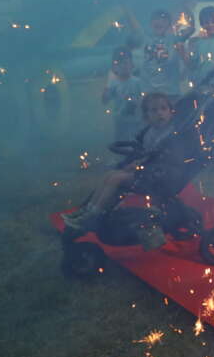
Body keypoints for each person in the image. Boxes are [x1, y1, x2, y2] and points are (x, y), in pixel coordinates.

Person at [63, 93, 179, 248]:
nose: (160, 113)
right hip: (145, 171)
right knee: (109, 175)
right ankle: (87, 210)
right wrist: (135, 163)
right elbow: (145, 154)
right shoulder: (149, 132)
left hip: (157, 176)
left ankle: (94, 216)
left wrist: (138, 164)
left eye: (163, 109)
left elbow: (159, 156)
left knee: (116, 179)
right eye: (154, 110)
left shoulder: (172, 133)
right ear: (147, 116)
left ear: (171, 111)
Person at [126, 7, 184, 99]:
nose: (159, 22)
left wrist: (185, 7)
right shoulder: (144, 39)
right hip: (149, 94)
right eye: (156, 19)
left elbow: (190, 29)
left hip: (170, 93)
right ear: (150, 23)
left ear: (169, 24)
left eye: (163, 20)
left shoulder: (174, 40)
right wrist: (127, 9)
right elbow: (135, 28)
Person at [102, 47, 143, 141]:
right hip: (120, 121)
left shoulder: (138, 82)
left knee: (136, 141)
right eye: (120, 63)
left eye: (126, 63)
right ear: (114, 67)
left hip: (136, 121)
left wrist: (136, 102)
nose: (124, 66)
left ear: (132, 65)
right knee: (121, 142)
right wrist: (108, 84)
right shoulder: (113, 83)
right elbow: (105, 100)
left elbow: (144, 101)